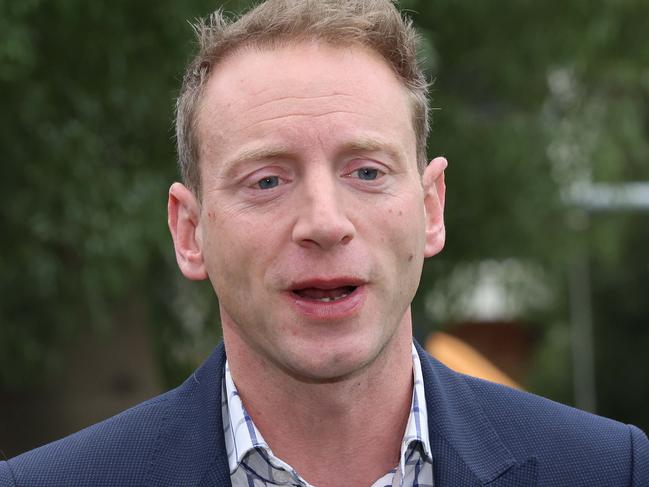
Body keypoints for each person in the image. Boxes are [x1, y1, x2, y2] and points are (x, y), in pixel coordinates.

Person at [2, 0, 647, 485]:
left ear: (430, 208)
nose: (323, 221)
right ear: (189, 232)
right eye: (268, 180)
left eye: (366, 172)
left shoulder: (610, 470)